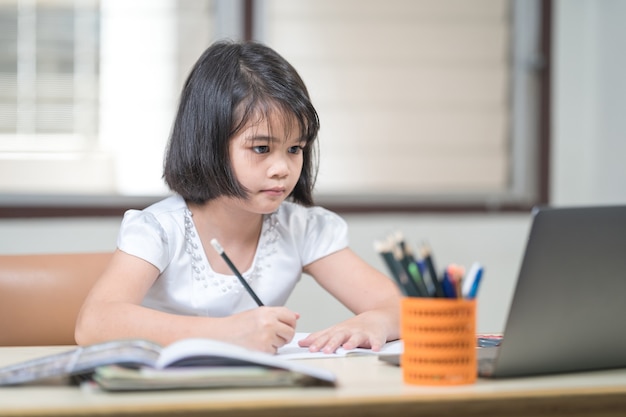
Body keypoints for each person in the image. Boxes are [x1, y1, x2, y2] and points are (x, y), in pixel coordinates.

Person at [75, 40, 401, 354]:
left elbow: (403, 307)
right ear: (208, 143)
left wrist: (377, 322)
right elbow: (93, 324)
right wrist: (227, 333)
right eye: (261, 148)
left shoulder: (301, 228)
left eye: (295, 149)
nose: (283, 169)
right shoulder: (160, 229)